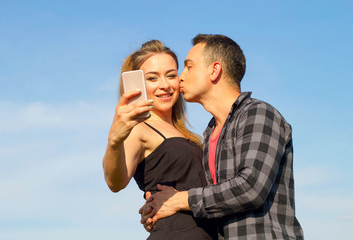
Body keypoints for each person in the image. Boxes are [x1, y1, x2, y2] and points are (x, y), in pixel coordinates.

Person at [140, 34, 304, 239]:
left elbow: (250, 188)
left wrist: (180, 200)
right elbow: (214, 200)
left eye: (189, 67)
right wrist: (159, 210)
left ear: (214, 70)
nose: (181, 77)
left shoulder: (259, 114)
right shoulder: (209, 134)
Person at [102, 39, 217, 240]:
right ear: (137, 84)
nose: (164, 85)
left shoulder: (185, 133)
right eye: (152, 78)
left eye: (171, 75)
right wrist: (114, 141)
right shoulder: (139, 128)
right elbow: (115, 182)